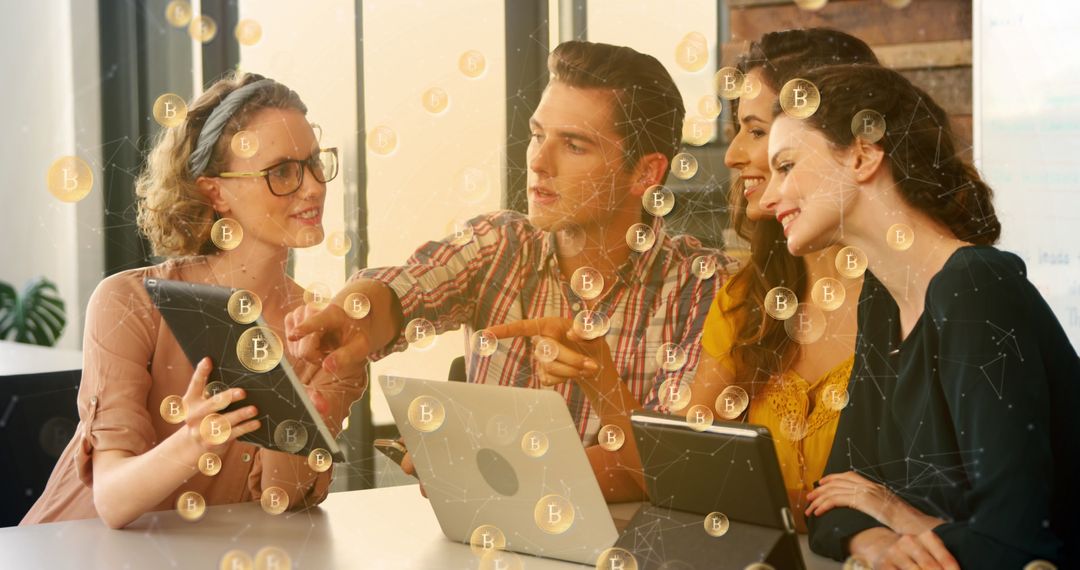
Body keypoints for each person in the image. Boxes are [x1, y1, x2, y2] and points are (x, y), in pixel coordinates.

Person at [286, 41, 736, 502]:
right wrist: (351, 313)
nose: (538, 162)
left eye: (574, 145)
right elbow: (406, 288)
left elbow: (674, 465)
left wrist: (479, 467)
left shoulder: (703, 288)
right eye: (538, 135)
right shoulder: (499, 245)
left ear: (645, 174)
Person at [759, 64, 1079, 568]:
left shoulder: (976, 286)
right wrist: (878, 543)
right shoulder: (882, 300)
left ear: (863, 155)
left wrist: (889, 510)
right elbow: (831, 500)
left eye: (786, 166)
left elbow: (1014, 545)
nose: (765, 198)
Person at [21, 73, 365, 529]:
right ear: (215, 191)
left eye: (315, 163)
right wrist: (195, 440)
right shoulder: (128, 302)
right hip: (72, 552)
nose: (315, 187)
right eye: (282, 171)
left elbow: (283, 504)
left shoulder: (329, 331)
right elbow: (112, 499)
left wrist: (297, 405)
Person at [678, 28, 880, 533]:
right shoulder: (747, 297)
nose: (732, 155)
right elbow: (686, 462)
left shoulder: (917, 299)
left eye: (756, 130)